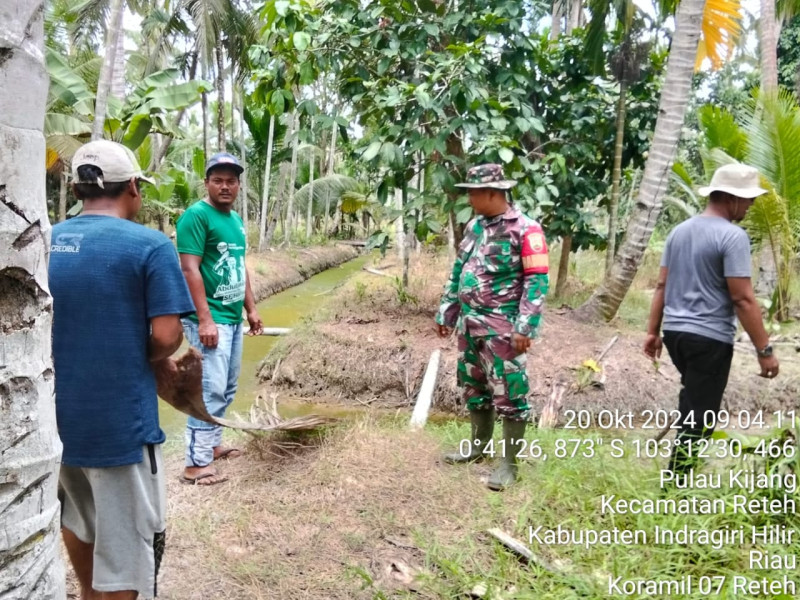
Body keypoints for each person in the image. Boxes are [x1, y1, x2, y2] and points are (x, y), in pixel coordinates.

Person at [50, 140, 195, 599]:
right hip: (120, 429)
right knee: (131, 546)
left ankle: (90, 594)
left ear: (78, 189)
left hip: (53, 424)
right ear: (133, 187)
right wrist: (151, 357)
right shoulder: (150, 246)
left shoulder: (44, 239)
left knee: (78, 517)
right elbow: (168, 336)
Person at [644, 163, 780, 475]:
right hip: (709, 338)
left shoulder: (678, 232)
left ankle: (678, 481)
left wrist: (652, 332)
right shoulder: (733, 237)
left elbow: (662, 285)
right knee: (701, 418)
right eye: (748, 200)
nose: (750, 206)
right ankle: (673, 492)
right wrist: (765, 351)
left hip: (676, 335)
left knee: (693, 403)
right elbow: (742, 298)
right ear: (731, 198)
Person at [436, 164, 549, 490]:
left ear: (493, 193)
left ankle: (510, 466)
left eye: (473, 191)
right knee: (475, 389)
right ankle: (477, 447)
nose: (469, 197)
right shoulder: (473, 227)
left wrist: (525, 327)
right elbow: (459, 269)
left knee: (511, 394)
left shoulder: (527, 230)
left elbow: (537, 281)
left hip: (503, 328)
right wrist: (447, 310)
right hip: (470, 326)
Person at [176, 152, 263, 485]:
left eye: (231, 181)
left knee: (226, 388)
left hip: (231, 316)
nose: (225, 186)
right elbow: (189, 268)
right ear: (207, 183)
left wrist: (251, 309)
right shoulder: (196, 217)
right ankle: (194, 465)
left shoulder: (236, 220)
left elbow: (239, 268)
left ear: (239, 185)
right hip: (209, 317)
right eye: (218, 180)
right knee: (208, 390)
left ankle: (211, 447)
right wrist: (204, 319)